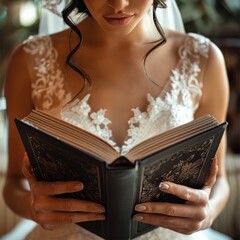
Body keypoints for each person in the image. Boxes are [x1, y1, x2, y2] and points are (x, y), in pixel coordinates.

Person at [3, 0, 232, 239]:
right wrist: (33, 206)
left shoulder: (203, 59)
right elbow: (14, 183)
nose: (119, 4)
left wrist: (208, 211)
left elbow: (220, 180)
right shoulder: (29, 61)